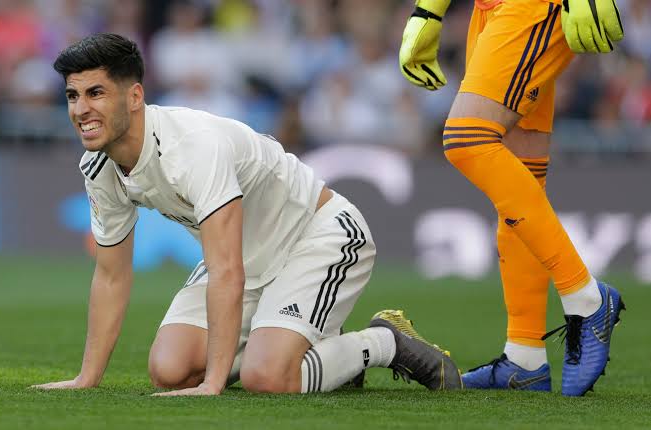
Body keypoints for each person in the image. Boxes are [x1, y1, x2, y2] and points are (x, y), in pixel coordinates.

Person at [31, 33, 462, 396]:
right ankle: (315, 354)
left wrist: (213, 384)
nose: (81, 109)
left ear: (135, 96)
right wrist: (87, 378)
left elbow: (226, 270)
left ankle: (384, 341)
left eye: (96, 93)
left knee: (266, 377)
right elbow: (111, 275)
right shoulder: (99, 166)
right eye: (72, 96)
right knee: (169, 370)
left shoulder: (192, 147)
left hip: (318, 237)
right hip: (243, 256)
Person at [397, 0, 626, 396]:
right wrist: (428, 12)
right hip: (490, 11)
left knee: (467, 138)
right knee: (520, 171)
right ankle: (525, 356)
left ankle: (586, 297)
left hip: (532, 7)